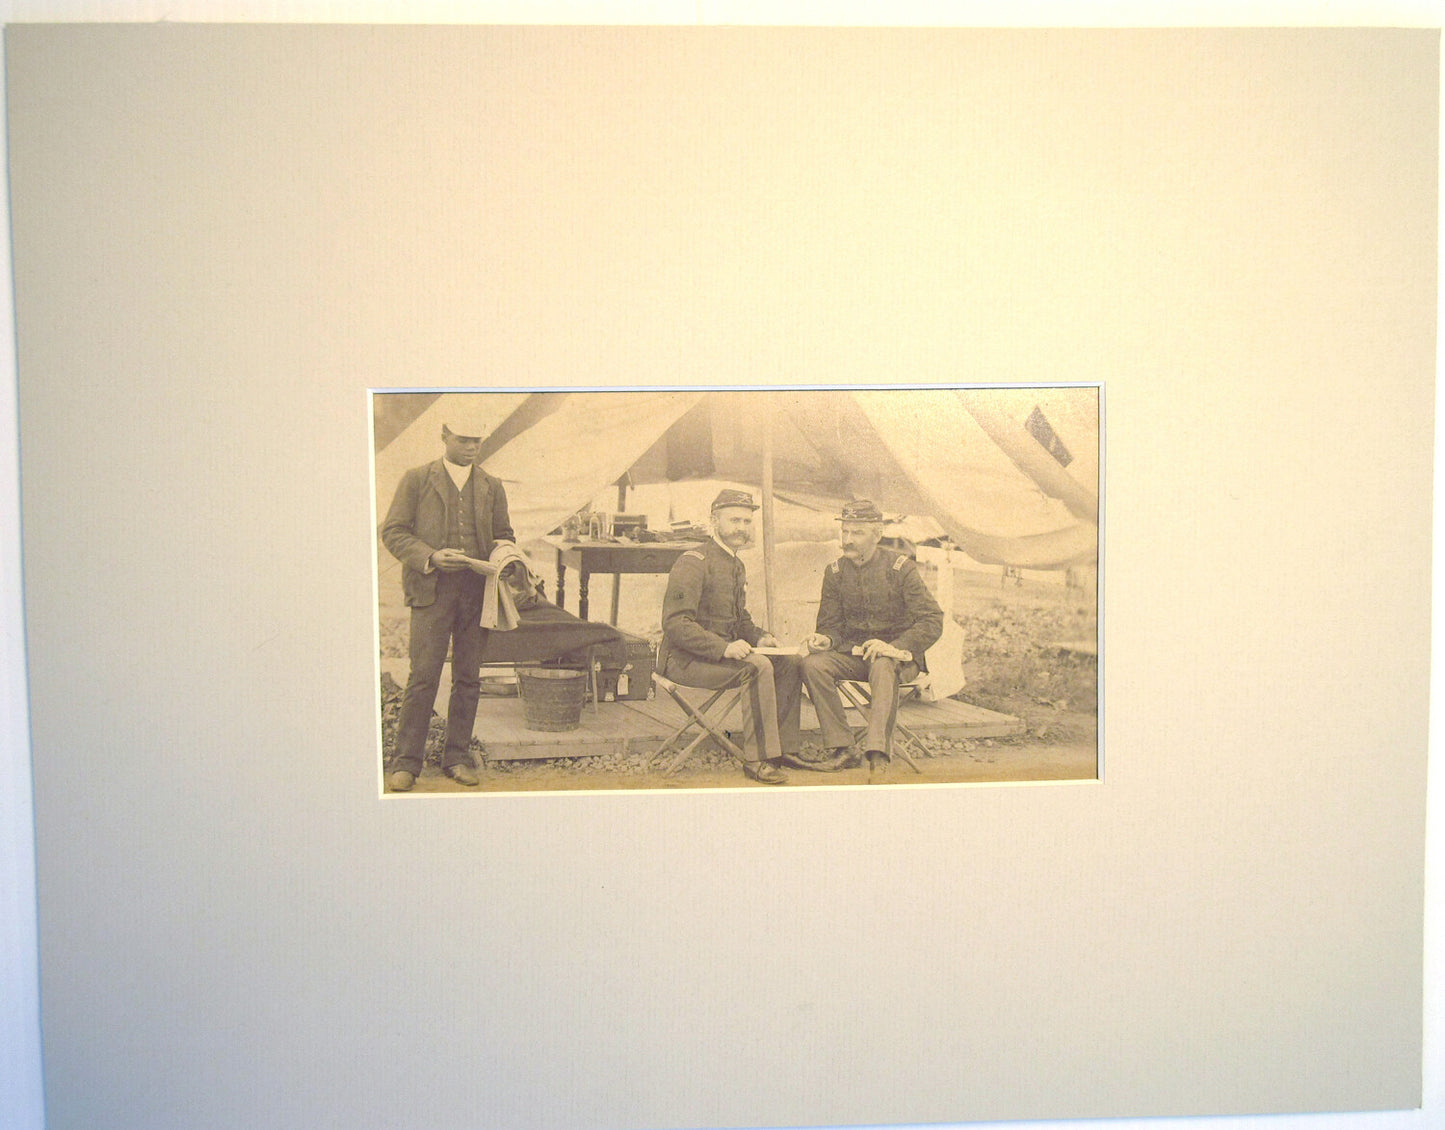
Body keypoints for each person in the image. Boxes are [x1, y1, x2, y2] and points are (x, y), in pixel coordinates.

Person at [380, 419, 515, 791]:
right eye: (463, 439)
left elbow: (504, 536)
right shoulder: (416, 479)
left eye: (477, 440)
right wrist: (431, 556)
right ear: (444, 437)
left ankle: (456, 757)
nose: (472, 447)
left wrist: (505, 557)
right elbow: (393, 531)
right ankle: (406, 762)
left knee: (468, 677)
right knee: (423, 676)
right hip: (431, 592)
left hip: (477, 593)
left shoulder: (491, 486)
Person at [657, 489, 804, 785]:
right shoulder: (693, 562)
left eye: (747, 522)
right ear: (715, 520)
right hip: (684, 661)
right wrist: (723, 647)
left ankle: (782, 750)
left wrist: (760, 637)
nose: (742, 528)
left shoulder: (736, 564)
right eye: (734, 520)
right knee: (757, 667)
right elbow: (675, 623)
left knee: (789, 662)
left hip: (716, 658)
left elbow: (738, 618)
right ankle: (757, 759)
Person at [800, 500, 944, 781]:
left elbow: (932, 619)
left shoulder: (900, 568)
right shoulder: (835, 572)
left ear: (877, 535)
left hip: (899, 660)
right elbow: (831, 626)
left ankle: (878, 756)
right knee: (812, 665)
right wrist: (826, 640)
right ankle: (842, 747)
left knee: (882, 663)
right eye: (845, 532)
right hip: (856, 657)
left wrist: (895, 647)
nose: (848, 539)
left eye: (857, 533)